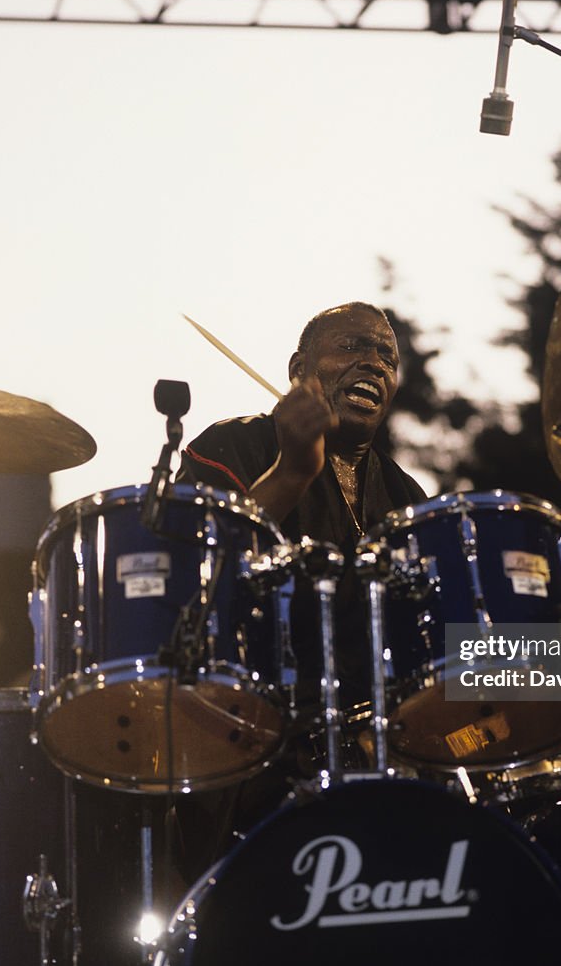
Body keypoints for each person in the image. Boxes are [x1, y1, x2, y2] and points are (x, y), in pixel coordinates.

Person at [176, 300, 427, 710]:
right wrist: (290, 473)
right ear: (298, 369)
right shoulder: (233, 446)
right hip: (250, 721)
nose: (373, 364)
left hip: (381, 737)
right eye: (352, 346)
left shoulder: (408, 496)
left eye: (388, 357)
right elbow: (194, 579)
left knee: (557, 671)